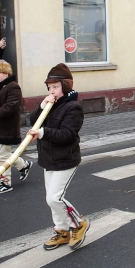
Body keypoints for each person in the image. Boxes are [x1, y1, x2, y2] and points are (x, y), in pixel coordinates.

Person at [28, 63, 90, 251]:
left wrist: (43, 133)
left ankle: (78, 224)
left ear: (65, 86)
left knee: (55, 198)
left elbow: (67, 135)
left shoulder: (73, 107)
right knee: (51, 198)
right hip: (49, 158)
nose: (52, 91)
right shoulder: (50, 104)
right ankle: (62, 231)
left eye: (55, 87)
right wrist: (41, 105)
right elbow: (33, 121)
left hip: (66, 159)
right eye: (49, 87)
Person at [0, 60, 32, 195]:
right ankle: (23, 165)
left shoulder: (13, 87)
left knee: (0, 156)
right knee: (1, 153)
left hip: (6, 127)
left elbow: (11, 106)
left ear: (6, 72)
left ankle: (5, 183)